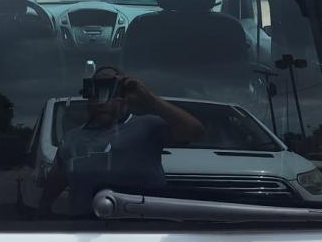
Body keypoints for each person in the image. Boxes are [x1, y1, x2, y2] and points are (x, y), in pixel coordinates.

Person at [39, 68, 202, 217]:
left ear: (124, 97)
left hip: (142, 230)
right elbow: (55, 183)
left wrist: (149, 99)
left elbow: (195, 132)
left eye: (112, 90)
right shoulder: (71, 138)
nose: (103, 101)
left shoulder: (148, 126)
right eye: (96, 91)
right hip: (84, 231)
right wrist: (41, 214)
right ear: (88, 96)